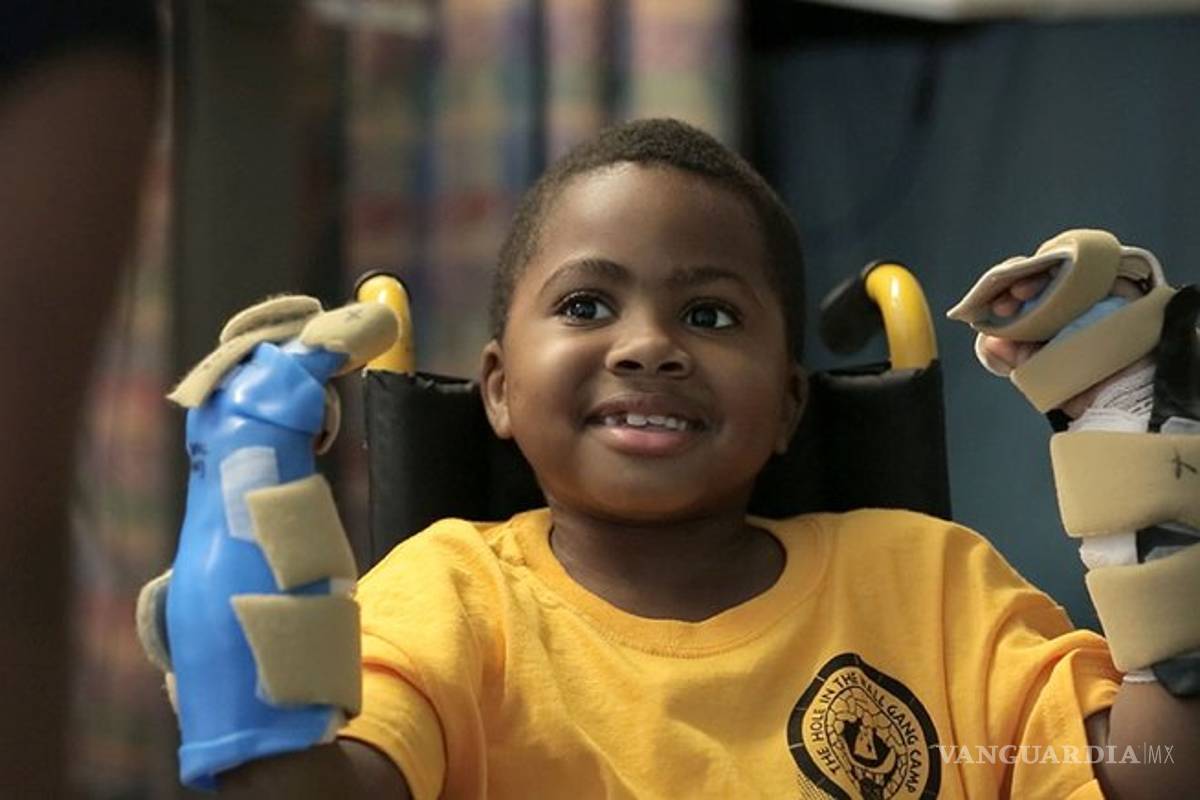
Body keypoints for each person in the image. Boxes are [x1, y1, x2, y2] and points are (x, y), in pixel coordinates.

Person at [182, 119, 1196, 798]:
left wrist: (1156, 513)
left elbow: (1157, 771)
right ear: (497, 386)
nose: (649, 344)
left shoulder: (934, 584)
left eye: (709, 314)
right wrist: (243, 576)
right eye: (587, 304)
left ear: (790, 402)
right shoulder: (448, 599)